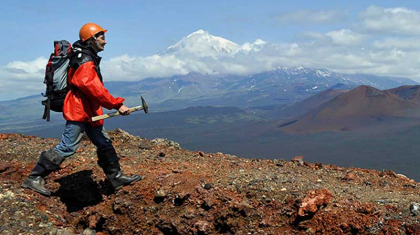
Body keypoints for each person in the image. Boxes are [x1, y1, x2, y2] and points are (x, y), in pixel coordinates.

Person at [21, 23, 142, 196]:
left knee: (104, 143)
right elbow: (92, 86)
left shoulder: (85, 56)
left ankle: (116, 177)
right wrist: (117, 104)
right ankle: (34, 177)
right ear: (91, 39)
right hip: (79, 111)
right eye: (101, 38)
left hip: (89, 111)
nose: (105, 42)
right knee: (67, 147)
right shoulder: (85, 59)